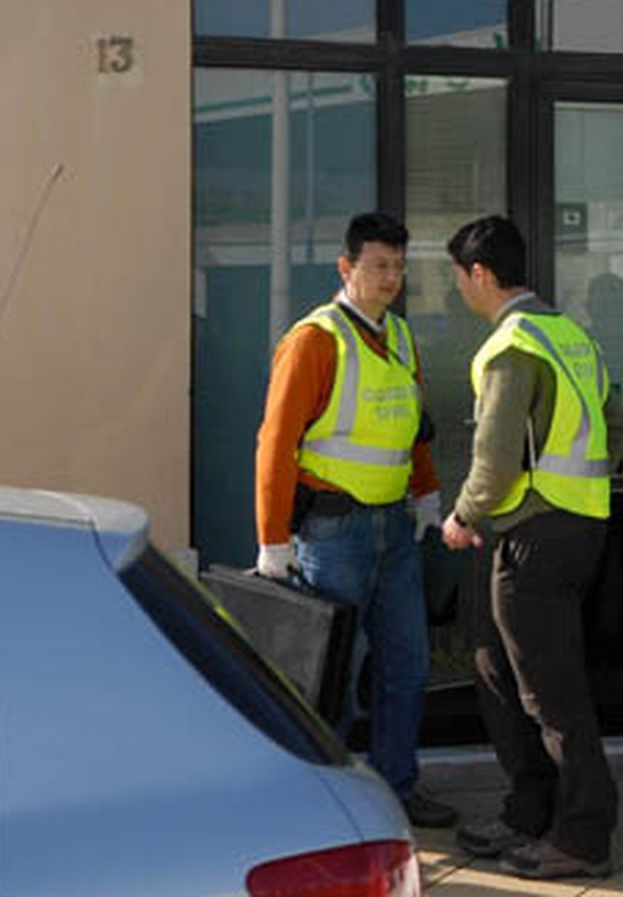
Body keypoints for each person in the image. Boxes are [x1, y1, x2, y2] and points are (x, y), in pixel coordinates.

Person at [440, 214, 623, 881]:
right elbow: (618, 421)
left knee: (551, 693)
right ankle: (530, 809)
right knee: (494, 661)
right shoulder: (571, 335)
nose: (459, 288)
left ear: (481, 275)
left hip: (535, 536)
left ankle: (584, 834)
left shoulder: (511, 344)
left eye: (459, 276)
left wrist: (464, 513)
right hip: (577, 527)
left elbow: (491, 460)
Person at [252, 211, 456, 829]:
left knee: (407, 665)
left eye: (398, 266)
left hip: (393, 527)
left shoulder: (398, 337)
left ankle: (396, 787)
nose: (391, 278)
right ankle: (322, 800)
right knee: (331, 674)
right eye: (378, 266)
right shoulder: (314, 340)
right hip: (332, 535)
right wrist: (273, 540)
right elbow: (275, 444)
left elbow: (412, 427)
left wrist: (426, 495)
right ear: (347, 268)